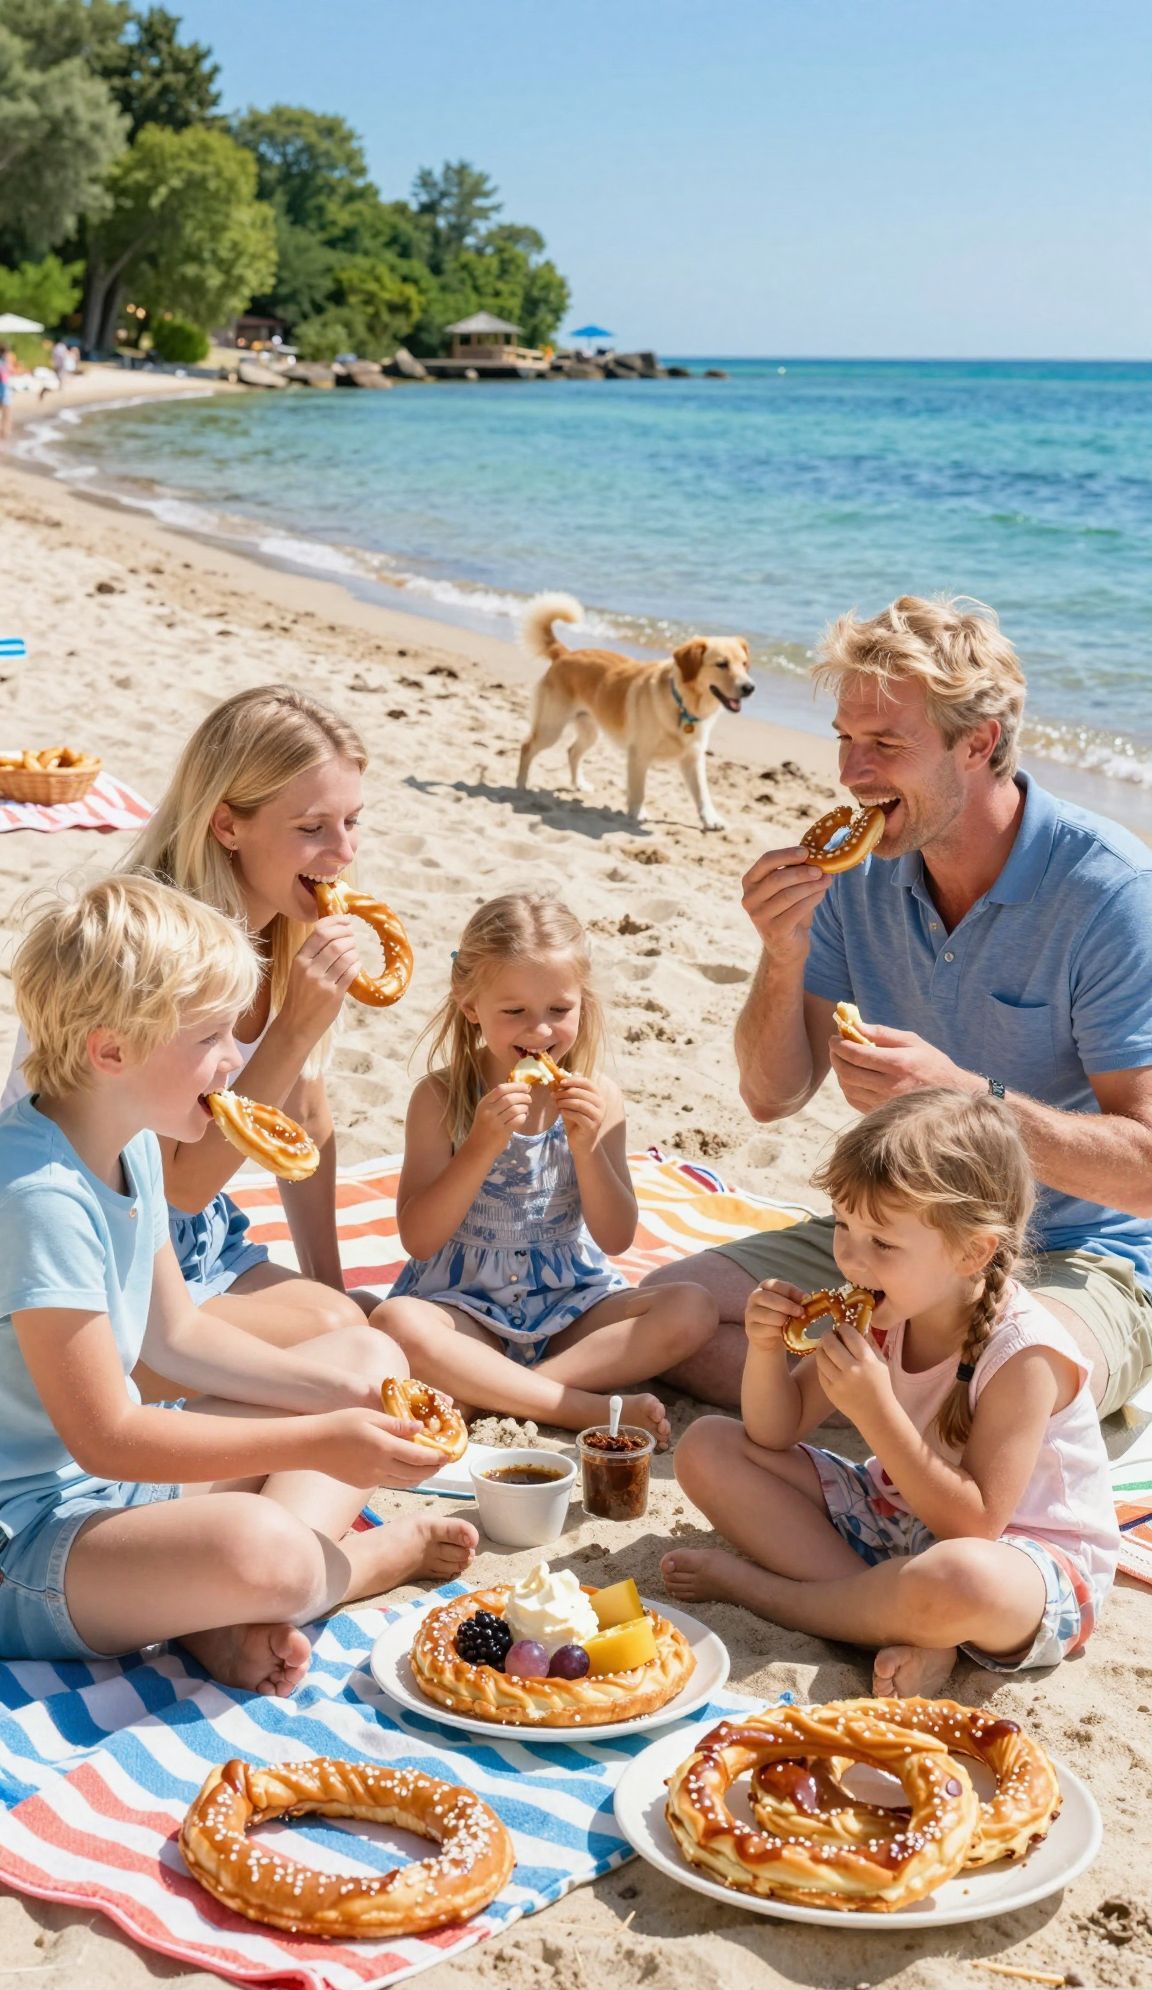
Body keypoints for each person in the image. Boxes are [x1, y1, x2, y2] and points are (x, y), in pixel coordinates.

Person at [642, 595, 1152, 1416]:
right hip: (891, 1242)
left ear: (978, 744)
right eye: (846, 739)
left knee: (999, 1398)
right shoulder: (864, 871)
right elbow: (772, 1098)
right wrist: (783, 954)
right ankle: (889, 1406)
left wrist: (963, 1099)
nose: (850, 774)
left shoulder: (1108, 894)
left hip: (1074, 1256)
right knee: (662, 1316)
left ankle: (892, 1405)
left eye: (885, 744)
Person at [0, 877, 475, 1693]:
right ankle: (349, 1566)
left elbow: (175, 1337)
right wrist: (315, 1437)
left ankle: (216, 1616)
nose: (233, 1060)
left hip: (110, 1496)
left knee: (367, 1354)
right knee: (264, 1549)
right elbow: (105, 1435)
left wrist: (331, 1390)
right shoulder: (35, 1195)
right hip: (26, 1541)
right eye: (212, 1037)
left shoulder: (130, 1141)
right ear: (111, 1051)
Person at [2, 686, 391, 1400]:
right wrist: (296, 1027)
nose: (343, 852)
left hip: (198, 1236)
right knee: (342, 1349)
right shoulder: (154, 951)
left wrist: (327, 1286)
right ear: (227, 825)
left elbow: (303, 1119)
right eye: (312, 828)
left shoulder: (284, 921)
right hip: (95, 1237)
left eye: (353, 821)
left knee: (354, 1330)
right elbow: (179, 1184)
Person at [663, 1090, 1118, 1699]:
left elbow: (975, 1525)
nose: (851, 1257)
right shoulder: (883, 1310)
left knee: (957, 1579)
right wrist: (767, 1352)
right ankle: (898, 1626)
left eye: (882, 1243)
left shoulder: (1025, 1355)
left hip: (1020, 1564)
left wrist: (874, 1410)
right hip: (899, 1523)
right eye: (843, 1227)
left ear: (972, 1251)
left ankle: (779, 1598)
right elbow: (776, 1432)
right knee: (708, 1446)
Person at [371, 893, 716, 1436]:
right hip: (465, 1308)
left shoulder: (599, 1096)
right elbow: (418, 1239)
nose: (540, 1032)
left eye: (559, 1011)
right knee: (393, 1322)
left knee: (692, 1307)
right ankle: (570, 1406)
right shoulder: (441, 1098)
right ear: (472, 1010)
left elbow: (617, 1236)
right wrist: (481, 1147)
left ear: (583, 1002)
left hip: (568, 1309)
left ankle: (506, 1393)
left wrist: (586, 1148)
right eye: (514, 1013)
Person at [0, 350, 13, 440]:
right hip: (4, 394)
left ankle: (5, 432)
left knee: (6, 415)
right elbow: (3, 381)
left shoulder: (4, 364)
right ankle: (5, 433)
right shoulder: (2, 365)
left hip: (4, 393)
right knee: (7, 415)